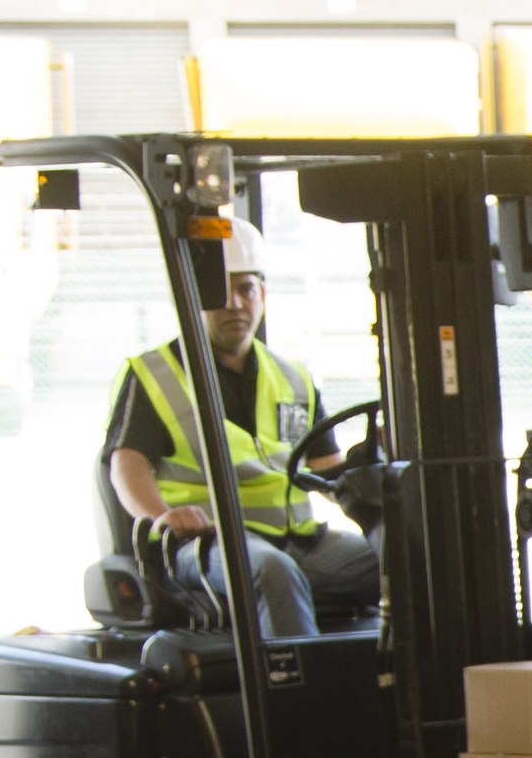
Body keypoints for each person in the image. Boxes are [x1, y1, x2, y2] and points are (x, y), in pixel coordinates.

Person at [108, 243, 377, 636]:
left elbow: (329, 472)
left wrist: (375, 470)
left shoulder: (293, 377)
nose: (235, 304)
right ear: (190, 300)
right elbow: (126, 466)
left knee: (400, 563)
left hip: (299, 541)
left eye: (246, 289)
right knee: (272, 571)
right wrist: (163, 515)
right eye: (220, 293)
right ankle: (296, 693)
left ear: (263, 295)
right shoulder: (154, 375)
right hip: (204, 544)